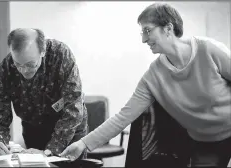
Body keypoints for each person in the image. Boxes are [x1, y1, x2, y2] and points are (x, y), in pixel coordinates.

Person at [60, 3, 231, 167]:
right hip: (205, 142)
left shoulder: (209, 50)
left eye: (147, 31)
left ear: (168, 28)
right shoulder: (154, 75)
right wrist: (82, 144)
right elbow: (123, 117)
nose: (143, 39)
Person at [0, 28, 88, 159]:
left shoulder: (61, 55)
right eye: (18, 64)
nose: (24, 70)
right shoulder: (4, 71)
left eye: (30, 64)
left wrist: (49, 151)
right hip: (33, 127)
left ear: (43, 51)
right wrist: (1, 144)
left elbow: (74, 108)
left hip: (69, 127)